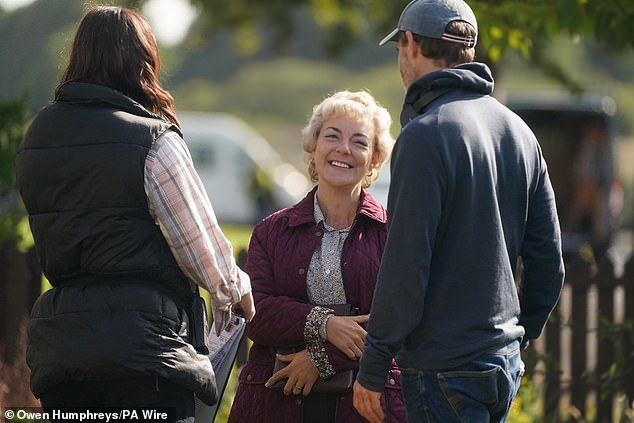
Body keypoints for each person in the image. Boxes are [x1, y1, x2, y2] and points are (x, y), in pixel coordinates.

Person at [15, 6, 254, 423]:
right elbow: (203, 253)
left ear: (79, 55)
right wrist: (237, 293)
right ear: (143, 61)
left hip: (63, 351)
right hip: (148, 354)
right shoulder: (151, 138)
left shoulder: (38, 136)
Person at [353, 1, 565, 422]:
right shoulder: (520, 131)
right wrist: (515, 339)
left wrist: (373, 366)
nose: (400, 59)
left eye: (399, 47)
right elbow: (549, 264)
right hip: (502, 362)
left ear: (411, 45)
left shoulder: (424, 135)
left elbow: (406, 265)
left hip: (443, 368)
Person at [227, 90, 406, 423]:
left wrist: (322, 359)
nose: (344, 149)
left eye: (360, 142)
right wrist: (326, 324)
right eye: (332, 136)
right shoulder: (270, 231)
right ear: (313, 145)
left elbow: (399, 320)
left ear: (376, 158)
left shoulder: (394, 234)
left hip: (364, 406)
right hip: (275, 405)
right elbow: (259, 314)